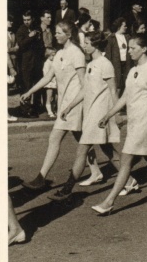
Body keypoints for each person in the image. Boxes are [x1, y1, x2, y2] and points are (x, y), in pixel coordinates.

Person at [91, 34, 147, 215]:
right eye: (128, 48)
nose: (129, 52)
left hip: (146, 122)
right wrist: (109, 115)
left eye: (133, 48)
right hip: (134, 121)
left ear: (144, 49)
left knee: (126, 159)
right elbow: (125, 97)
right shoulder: (133, 70)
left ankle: (109, 201)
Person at [20, 21, 100, 190]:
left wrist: (73, 105)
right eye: (55, 32)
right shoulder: (59, 54)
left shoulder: (76, 54)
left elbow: (84, 83)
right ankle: (97, 172)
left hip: (74, 104)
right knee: (83, 139)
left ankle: (41, 177)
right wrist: (29, 92)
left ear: (68, 35)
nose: (55, 35)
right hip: (65, 105)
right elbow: (47, 77)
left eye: (58, 33)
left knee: (54, 138)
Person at [47, 31, 125, 201]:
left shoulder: (105, 64)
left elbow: (113, 90)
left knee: (82, 150)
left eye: (87, 43)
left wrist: (116, 114)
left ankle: (67, 189)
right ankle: (130, 180)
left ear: (95, 45)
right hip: (91, 113)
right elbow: (85, 90)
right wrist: (69, 107)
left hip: (101, 114)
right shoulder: (91, 64)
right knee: (108, 150)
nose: (84, 46)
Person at [17, 10, 44, 117]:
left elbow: (40, 43)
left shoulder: (36, 28)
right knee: (26, 86)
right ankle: (25, 110)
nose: (26, 22)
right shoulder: (21, 30)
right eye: (24, 20)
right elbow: (21, 45)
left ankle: (36, 107)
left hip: (36, 62)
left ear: (32, 19)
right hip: (26, 63)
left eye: (28, 19)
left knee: (37, 84)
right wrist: (30, 37)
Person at [105, 17, 131, 97]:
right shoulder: (111, 38)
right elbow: (108, 53)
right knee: (117, 82)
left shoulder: (127, 37)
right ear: (119, 26)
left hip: (126, 63)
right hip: (116, 63)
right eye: (124, 26)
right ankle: (115, 101)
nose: (126, 27)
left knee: (126, 81)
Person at [42, 47, 58, 118]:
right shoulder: (47, 63)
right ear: (48, 55)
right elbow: (46, 74)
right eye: (52, 55)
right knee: (49, 97)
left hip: (55, 82)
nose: (54, 57)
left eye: (55, 55)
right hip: (50, 83)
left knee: (56, 97)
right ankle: (49, 111)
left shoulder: (55, 62)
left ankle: (54, 109)